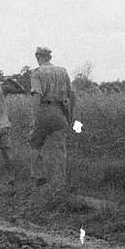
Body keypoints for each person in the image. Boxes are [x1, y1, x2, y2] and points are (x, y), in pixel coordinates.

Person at [28, 46, 76, 189]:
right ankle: (60, 182)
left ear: (38, 57)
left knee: (35, 143)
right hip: (60, 112)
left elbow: (37, 95)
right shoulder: (63, 71)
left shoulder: (37, 73)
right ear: (50, 57)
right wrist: (70, 116)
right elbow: (72, 95)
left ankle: (39, 177)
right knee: (60, 147)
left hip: (44, 111)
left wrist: (34, 119)